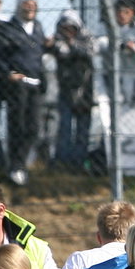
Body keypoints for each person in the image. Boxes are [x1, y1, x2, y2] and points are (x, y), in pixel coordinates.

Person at [0, 0, 50, 186]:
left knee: (33, 128)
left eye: (33, 5)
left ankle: (19, 164)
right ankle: (14, 167)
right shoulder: (8, 28)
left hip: (35, 83)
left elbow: (40, 55)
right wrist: (8, 73)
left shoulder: (38, 28)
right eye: (26, 5)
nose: (30, 8)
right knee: (16, 127)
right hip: (17, 85)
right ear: (18, 6)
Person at [50, 10, 95, 171]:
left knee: (83, 129)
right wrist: (68, 45)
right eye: (65, 27)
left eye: (72, 27)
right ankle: (63, 161)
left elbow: (89, 52)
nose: (68, 31)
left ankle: (79, 162)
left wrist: (73, 44)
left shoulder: (86, 37)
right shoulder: (57, 39)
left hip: (85, 90)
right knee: (65, 127)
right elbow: (61, 52)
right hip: (66, 90)